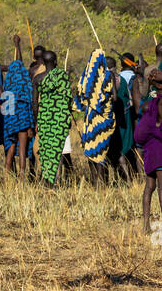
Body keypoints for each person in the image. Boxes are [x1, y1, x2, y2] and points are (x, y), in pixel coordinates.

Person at [135, 68, 162, 235]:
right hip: (160, 147)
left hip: (150, 147)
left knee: (150, 186)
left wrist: (158, 80)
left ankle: (146, 225)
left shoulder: (149, 104)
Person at [76, 49, 117, 180]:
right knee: (101, 150)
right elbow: (115, 98)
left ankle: (95, 180)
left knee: (92, 148)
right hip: (105, 119)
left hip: (91, 118)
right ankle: (102, 181)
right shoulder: (108, 75)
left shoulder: (86, 79)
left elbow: (80, 99)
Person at [34, 60, 73, 187]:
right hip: (60, 119)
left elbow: (35, 104)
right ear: (56, 62)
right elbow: (68, 98)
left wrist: (36, 121)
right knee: (58, 150)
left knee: (46, 150)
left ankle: (47, 180)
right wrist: (67, 117)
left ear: (43, 62)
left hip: (44, 119)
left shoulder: (38, 78)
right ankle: (55, 180)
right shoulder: (62, 76)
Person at [3, 34, 35, 176]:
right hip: (22, 120)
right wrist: (30, 126)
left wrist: (17, 45)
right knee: (22, 148)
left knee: (11, 146)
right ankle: (22, 174)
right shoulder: (25, 86)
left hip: (10, 120)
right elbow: (29, 106)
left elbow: (5, 109)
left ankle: (6, 174)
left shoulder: (8, 85)